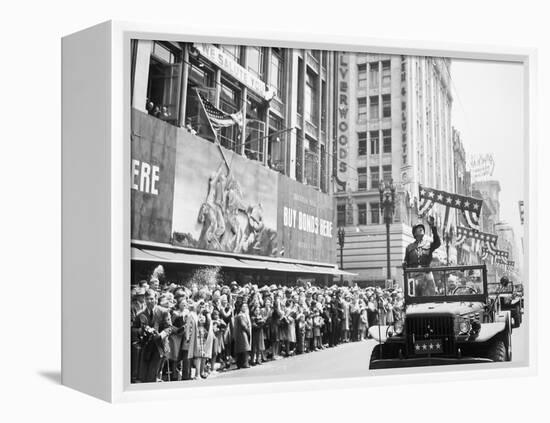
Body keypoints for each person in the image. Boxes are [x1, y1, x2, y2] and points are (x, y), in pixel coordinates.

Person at [133, 289, 173, 383]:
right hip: (146, 347)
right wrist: (141, 330)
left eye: (151, 298)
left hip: (159, 346)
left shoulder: (163, 311)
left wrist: (160, 335)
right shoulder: (140, 314)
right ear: (144, 299)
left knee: (153, 374)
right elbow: (133, 329)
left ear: (156, 298)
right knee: (144, 375)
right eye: (147, 299)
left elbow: (169, 328)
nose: (149, 301)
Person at [404, 215, 441, 296]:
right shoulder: (409, 247)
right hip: (414, 274)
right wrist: (404, 264)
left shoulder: (428, 244)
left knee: (431, 295)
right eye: (418, 228)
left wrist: (433, 227)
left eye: (422, 228)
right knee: (413, 297)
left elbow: (437, 243)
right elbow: (406, 262)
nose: (421, 229)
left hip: (427, 273)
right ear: (414, 233)